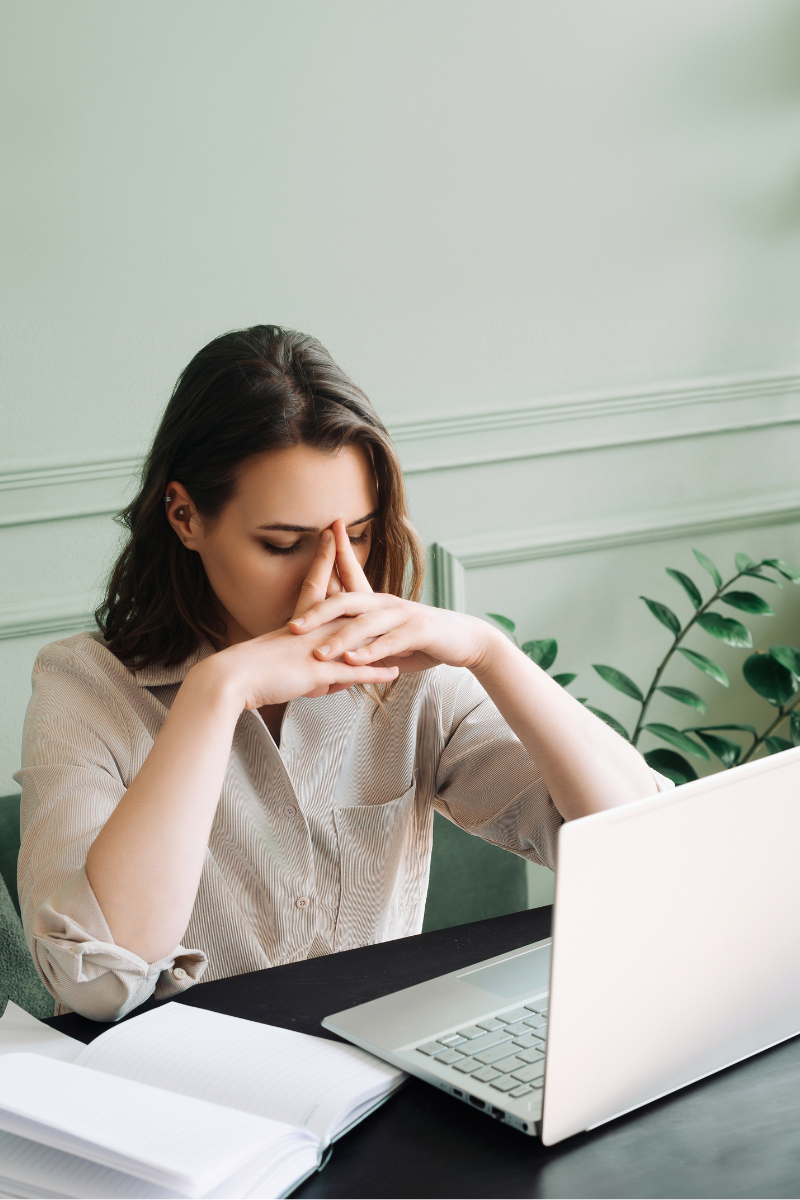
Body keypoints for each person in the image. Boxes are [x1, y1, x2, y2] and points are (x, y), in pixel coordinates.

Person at [15, 325, 668, 1022]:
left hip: (370, 1091)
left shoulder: (406, 674)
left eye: (354, 535)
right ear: (184, 516)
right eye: (283, 544)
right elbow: (97, 984)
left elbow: (647, 853)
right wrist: (215, 694)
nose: (331, 580)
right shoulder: (82, 688)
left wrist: (488, 651)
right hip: (177, 1108)